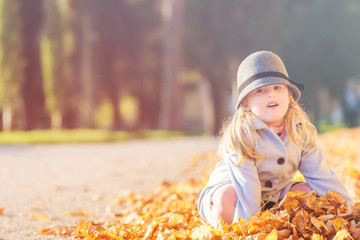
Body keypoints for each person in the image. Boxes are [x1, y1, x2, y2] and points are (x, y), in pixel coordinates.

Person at [198, 51, 353, 227]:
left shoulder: (300, 132)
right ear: (246, 103)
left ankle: (274, 222)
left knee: (310, 193)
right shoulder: (243, 135)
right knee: (225, 198)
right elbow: (245, 185)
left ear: (289, 95)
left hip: (276, 194)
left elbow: (321, 176)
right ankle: (240, 225)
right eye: (260, 90)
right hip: (237, 192)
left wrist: (349, 211)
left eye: (277, 88)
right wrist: (250, 230)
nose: (271, 94)